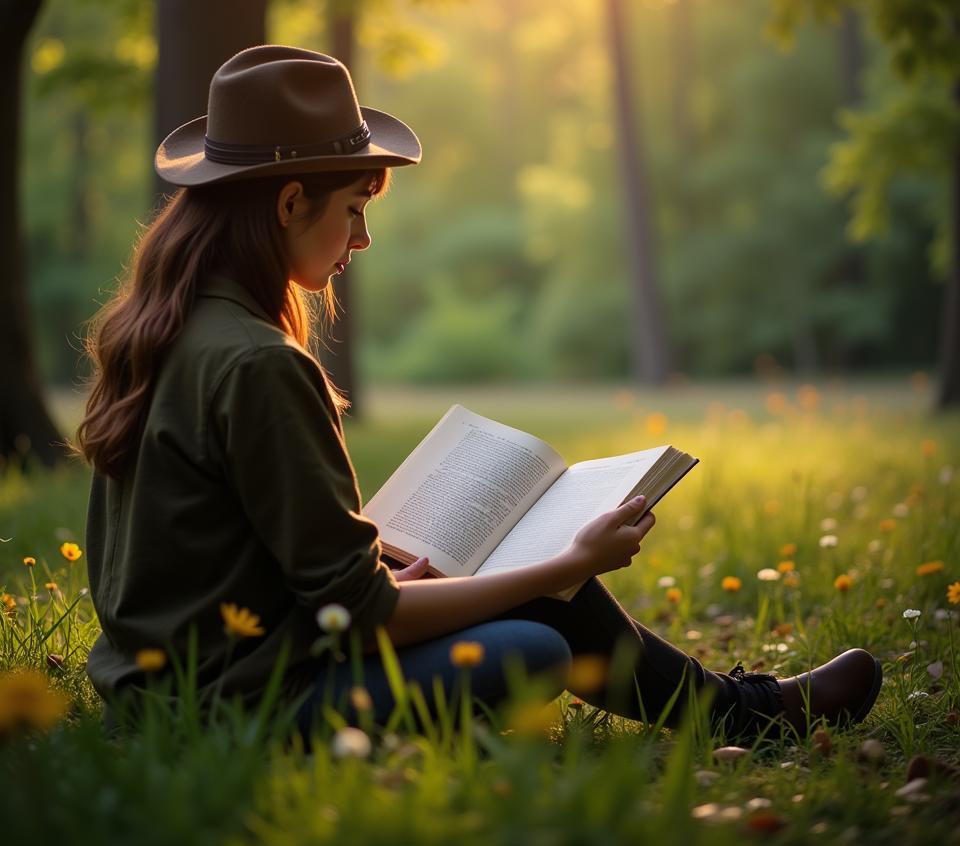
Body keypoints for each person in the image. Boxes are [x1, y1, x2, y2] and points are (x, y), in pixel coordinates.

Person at [74, 45, 882, 743]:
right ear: (290, 203)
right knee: (533, 644)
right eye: (353, 211)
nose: (361, 239)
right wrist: (566, 563)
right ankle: (749, 712)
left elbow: (227, 567)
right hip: (236, 710)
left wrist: (404, 582)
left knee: (516, 591)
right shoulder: (257, 363)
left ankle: (745, 711)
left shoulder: (161, 330)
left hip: (165, 693)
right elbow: (360, 616)